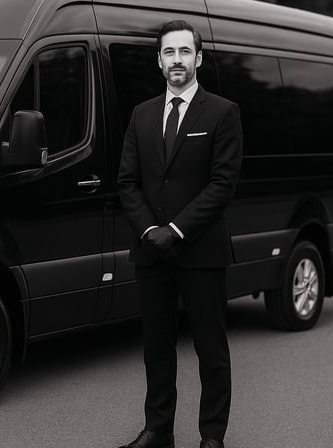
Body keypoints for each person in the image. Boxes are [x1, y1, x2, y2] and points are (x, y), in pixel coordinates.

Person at [116, 20, 243, 448]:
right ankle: (158, 431)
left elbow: (222, 185)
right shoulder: (142, 114)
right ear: (159, 60)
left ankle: (212, 437)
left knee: (211, 350)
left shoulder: (223, 112)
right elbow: (127, 181)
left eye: (185, 51)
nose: (177, 60)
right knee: (156, 347)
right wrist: (150, 230)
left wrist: (175, 230)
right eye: (169, 52)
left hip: (201, 251)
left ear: (198, 58)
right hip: (151, 251)